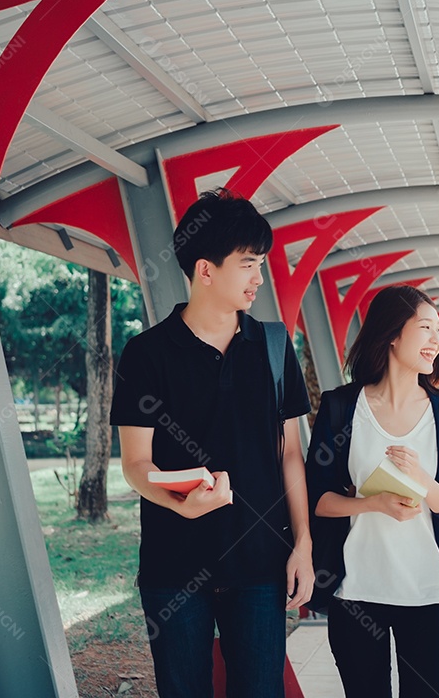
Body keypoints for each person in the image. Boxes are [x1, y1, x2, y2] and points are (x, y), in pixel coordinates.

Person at [110, 188, 314, 698]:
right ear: (205, 269)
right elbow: (136, 464)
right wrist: (178, 503)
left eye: (260, 264)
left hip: (261, 564)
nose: (258, 278)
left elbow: (290, 453)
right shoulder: (146, 354)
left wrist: (304, 544)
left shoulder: (273, 346)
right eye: (248, 264)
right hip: (173, 566)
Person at [305, 284, 439, 698]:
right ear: (392, 333)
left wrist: (422, 479)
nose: (437, 339)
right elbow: (317, 499)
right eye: (426, 327)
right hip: (356, 589)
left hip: (429, 590)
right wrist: (373, 503)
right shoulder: (341, 407)